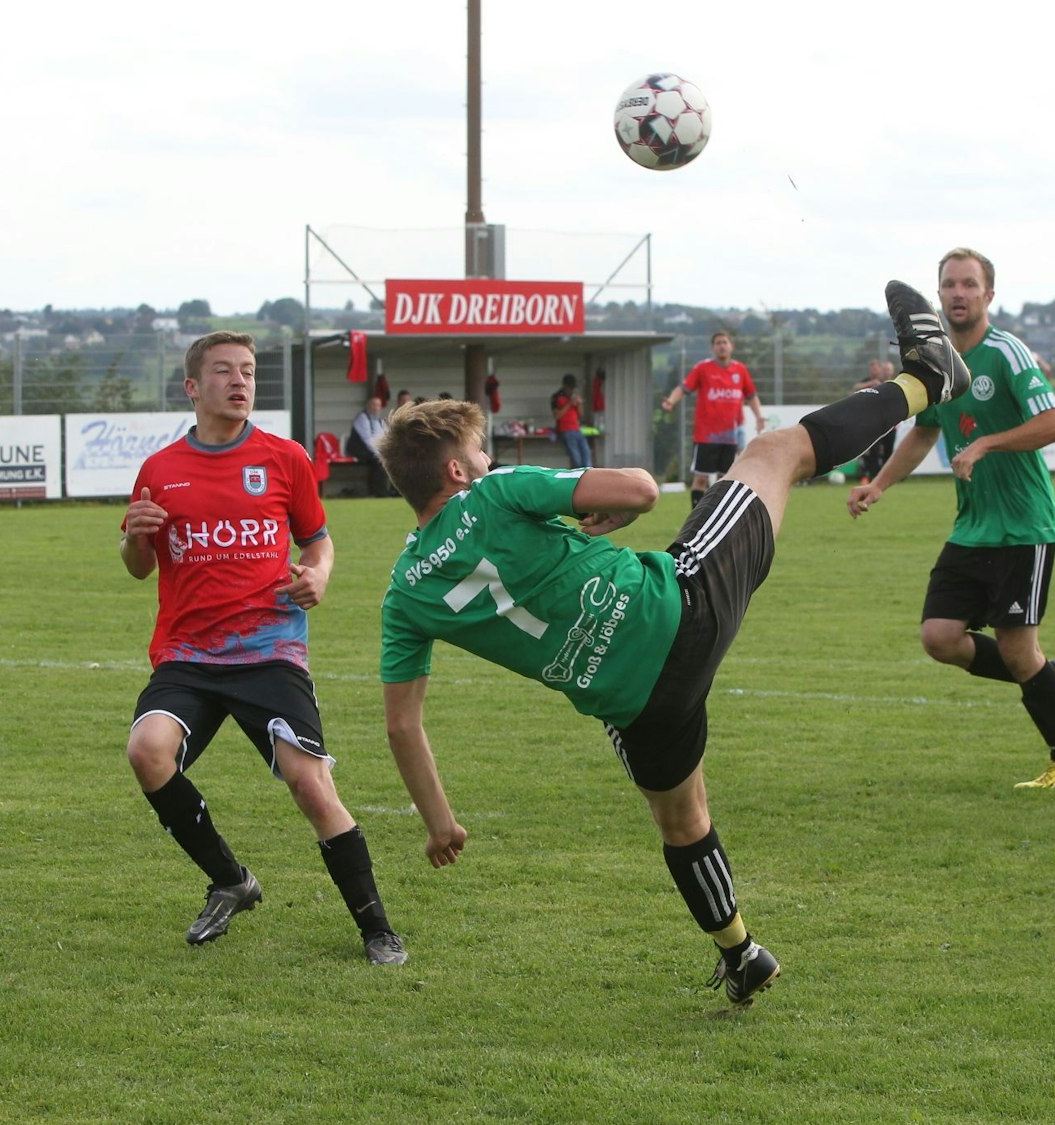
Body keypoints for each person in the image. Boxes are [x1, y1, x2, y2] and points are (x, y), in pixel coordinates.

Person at [373, 280, 968, 1006]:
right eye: (480, 454)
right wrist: (609, 514)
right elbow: (641, 490)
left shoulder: (404, 594)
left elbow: (402, 724)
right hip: (681, 609)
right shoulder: (495, 493)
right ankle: (926, 377)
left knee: (682, 820)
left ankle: (740, 951)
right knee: (776, 450)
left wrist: (440, 823)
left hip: (638, 704)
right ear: (456, 472)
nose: (489, 463)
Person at [119, 330, 407, 964]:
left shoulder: (284, 458)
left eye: (248, 371)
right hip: (188, 655)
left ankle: (377, 929)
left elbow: (318, 541)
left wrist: (319, 574)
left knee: (310, 783)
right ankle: (231, 880)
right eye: (224, 371)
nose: (240, 381)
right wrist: (134, 538)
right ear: (193, 386)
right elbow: (140, 566)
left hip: (270, 649)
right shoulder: (159, 471)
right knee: (147, 750)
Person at [847, 247, 1055, 790]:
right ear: (938, 295)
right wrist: (878, 484)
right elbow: (926, 431)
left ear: (988, 295)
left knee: (1018, 649)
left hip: (1024, 526)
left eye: (969, 284)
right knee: (939, 637)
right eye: (950, 284)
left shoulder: (1007, 352)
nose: (958, 293)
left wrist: (985, 444)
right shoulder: (938, 365)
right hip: (973, 526)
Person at [661, 331, 767, 507]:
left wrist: (759, 416)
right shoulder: (703, 368)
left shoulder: (740, 370)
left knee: (724, 479)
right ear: (713, 348)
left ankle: (718, 518)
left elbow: (751, 395)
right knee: (701, 478)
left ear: (731, 346)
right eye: (718, 343)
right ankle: (695, 518)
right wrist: (671, 401)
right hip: (706, 435)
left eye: (725, 342)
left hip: (730, 437)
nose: (722, 346)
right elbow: (684, 388)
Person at [853, 359, 899, 484]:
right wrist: (870, 383)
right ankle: (874, 477)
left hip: (890, 423)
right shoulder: (869, 382)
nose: (875, 371)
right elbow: (856, 388)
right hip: (874, 423)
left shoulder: (888, 383)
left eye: (877, 368)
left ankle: (888, 477)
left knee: (888, 451)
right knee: (874, 450)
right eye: (872, 368)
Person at [347, 394, 394, 497]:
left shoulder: (379, 421)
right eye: (373, 404)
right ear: (368, 406)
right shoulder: (362, 418)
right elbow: (367, 440)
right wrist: (380, 453)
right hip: (359, 449)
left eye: (378, 405)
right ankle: (379, 492)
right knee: (378, 460)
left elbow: (383, 437)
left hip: (372, 450)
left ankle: (392, 490)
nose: (375, 407)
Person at [551, 374, 593, 469]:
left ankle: (588, 473)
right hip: (566, 430)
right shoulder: (556, 397)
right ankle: (577, 474)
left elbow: (581, 415)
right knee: (576, 457)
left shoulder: (574, 396)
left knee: (587, 453)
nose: (570, 390)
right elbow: (557, 416)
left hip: (577, 429)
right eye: (569, 387)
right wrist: (569, 403)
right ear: (564, 386)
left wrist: (579, 404)